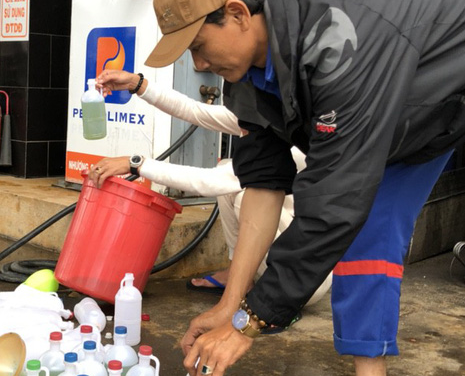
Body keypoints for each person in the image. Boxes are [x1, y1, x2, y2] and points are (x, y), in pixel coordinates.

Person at [140, 0, 465, 376]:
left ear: (238, 14)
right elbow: (263, 185)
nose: (198, 64)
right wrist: (230, 304)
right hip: (418, 110)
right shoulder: (248, 75)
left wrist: (250, 324)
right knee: (365, 236)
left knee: (343, 212)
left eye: (198, 46)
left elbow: (331, 203)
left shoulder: (341, 44)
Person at [88, 71, 331, 310]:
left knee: (247, 192)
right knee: (229, 171)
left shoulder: (296, 139)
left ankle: (275, 298)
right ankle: (237, 274)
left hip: (303, 278)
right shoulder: (264, 116)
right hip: (290, 249)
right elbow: (196, 112)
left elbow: (208, 182)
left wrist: (136, 164)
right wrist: (137, 84)